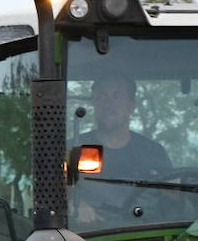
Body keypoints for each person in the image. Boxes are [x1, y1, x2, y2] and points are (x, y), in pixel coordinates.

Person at [74, 76, 173, 222]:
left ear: (131, 106)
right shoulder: (74, 149)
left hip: (145, 229)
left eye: (117, 96)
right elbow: (55, 193)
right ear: (94, 102)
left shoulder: (153, 152)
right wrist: (75, 205)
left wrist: (172, 190)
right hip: (90, 231)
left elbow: (172, 200)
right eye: (102, 95)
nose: (108, 103)